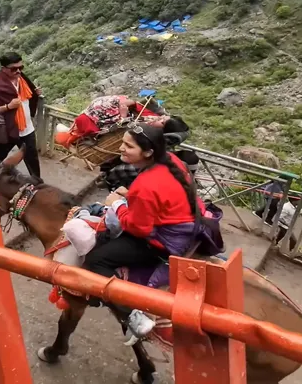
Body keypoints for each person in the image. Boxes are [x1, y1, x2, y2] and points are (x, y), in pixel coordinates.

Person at [83, 125, 213, 339]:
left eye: (128, 145)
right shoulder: (171, 160)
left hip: (163, 242)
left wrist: (117, 205)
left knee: (96, 259)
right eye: (122, 142)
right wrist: (131, 197)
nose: (121, 148)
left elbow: (138, 228)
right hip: (188, 226)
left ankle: (133, 317)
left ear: (148, 152)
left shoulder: (146, 185)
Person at [0, 52, 41, 178]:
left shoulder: (22, 79)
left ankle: (37, 183)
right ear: (4, 69)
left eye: (21, 67)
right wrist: (8, 106)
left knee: (32, 157)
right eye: (14, 69)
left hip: (27, 128)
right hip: (9, 128)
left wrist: (36, 93)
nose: (18, 71)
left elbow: (31, 91)